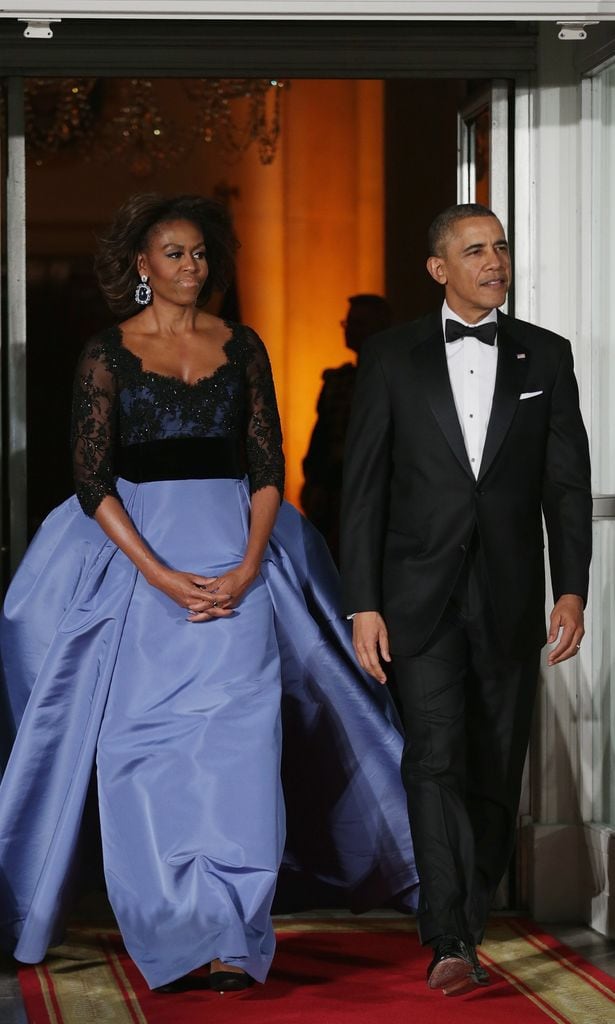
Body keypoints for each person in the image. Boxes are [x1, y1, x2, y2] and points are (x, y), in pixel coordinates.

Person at [0, 194, 418, 995]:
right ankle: (168, 927)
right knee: (141, 755)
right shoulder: (104, 353)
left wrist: (248, 563)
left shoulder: (243, 345)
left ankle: (231, 934)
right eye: (174, 253)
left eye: (199, 253)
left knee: (238, 754)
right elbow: (91, 479)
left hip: (240, 558)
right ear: (140, 267)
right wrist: (157, 573)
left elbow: (267, 465)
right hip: (139, 568)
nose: (190, 267)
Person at [340, 203, 592, 997]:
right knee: (435, 757)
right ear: (437, 268)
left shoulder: (545, 357)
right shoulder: (388, 358)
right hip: (417, 598)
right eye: (474, 249)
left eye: (500, 247)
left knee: (492, 766)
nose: (494, 260)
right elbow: (364, 489)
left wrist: (572, 588)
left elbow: (565, 485)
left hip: (512, 596)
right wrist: (362, 603)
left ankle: (468, 914)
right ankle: (446, 933)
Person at [301, 294, 391, 564]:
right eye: (348, 323)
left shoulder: (394, 379)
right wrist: (315, 483)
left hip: (380, 493)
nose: (351, 330)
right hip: (335, 490)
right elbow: (321, 440)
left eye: (360, 323)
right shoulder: (338, 382)